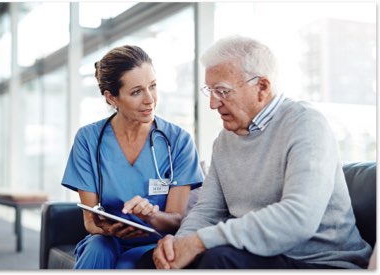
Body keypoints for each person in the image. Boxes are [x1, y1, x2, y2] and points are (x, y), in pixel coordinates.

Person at [139, 35, 372, 269]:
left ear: (262, 87)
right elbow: (208, 211)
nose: (212, 103)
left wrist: (200, 241)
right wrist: (178, 247)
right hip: (257, 255)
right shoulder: (224, 140)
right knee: (151, 262)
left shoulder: (306, 124)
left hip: (321, 261)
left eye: (222, 91)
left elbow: (298, 218)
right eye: (209, 91)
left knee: (218, 260)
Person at [61, 45, 204, 269]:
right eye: (136, 92)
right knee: (98, 248)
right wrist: (106, 228)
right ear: (111, 98)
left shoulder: (178, 141)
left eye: (153, 86)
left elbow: (176, 220)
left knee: (127, 265)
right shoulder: (88, 139)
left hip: (155, 241)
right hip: (108, 239)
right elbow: (90, 221)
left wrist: (151, 217)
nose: (150, 100)